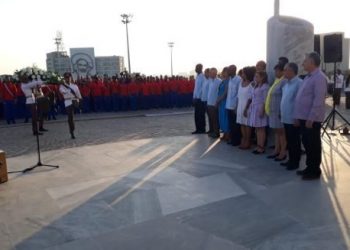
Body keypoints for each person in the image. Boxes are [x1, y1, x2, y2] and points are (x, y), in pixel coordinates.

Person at [294, 52, 327, 180]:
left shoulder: (319, 77)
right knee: (307, 143)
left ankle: (314, 171)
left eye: (305, 61)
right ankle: (309, 167)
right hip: (304, 117)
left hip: (311, 119)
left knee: (313, 144)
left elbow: (318, 100)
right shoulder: (308, 77)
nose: (303, 63)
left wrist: (311, 118)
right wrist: (297, 116)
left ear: (312, 63)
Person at [280, 63, 303, 170]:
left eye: (285, 70)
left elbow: (299, 102)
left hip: (293, 118)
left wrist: (297, 117)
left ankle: (295, 162)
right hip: (286, 117)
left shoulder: (299, 83)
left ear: (292, 71)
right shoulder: (286, 83)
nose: (284, 72)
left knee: (295, 142)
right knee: (289, 141)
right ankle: (290, 159)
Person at [265, 63, 287, 161]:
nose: (275, 72)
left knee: (281, 133)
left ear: (282, 71)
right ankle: (276, 150)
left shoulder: (284, 82)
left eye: (277, 70)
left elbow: (284, 97)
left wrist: (281, 111)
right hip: (273, 111)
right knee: (276, 132)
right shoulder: (277, 81)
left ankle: (283, 152)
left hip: (279, 111)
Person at [244, 71, 269, 154]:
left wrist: (262, 110)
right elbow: (252, 97)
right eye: (255, 76)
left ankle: (261, 147)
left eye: (257, 76)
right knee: (257, 129)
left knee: (261, 128)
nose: (255, 78)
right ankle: (258, 146)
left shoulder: (265, 87)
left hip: (260, 108)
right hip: (254, 108)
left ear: (262, 77)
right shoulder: (256, 86)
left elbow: (265, 100)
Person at [59, 72, 82, 139]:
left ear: (71, 78)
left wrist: (80, 101)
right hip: (68, 101)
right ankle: (72, 131)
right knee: (70, 117)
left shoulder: (74, 86)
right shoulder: (62, 86)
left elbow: (78, 94)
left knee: (73, 117)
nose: (68, 79)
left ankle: (72, 128)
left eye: (69, 77)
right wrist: (67, 91)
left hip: (74, 101)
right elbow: (61, 91)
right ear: (64, 78)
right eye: (66, 78)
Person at [237, 66, 255, 149]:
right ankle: (243, 139)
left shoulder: (252, 84)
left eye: (244, 73)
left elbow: (251, 98)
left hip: (247, 107)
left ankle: (248, 141)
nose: (242, 74)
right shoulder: (241, 83)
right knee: (242, 124)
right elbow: (238, 96)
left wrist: (246, 108)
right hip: (240, 106)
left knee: (247, 125)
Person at [226, 65, 241, 146]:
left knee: (236, 125)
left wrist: (236, 106)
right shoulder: (230, 79)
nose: (228, 71)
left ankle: (236, 140)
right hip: (228, 105)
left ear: (234, 70)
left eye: (229, 70)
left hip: (234, 106)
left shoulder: (238, 80)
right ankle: (232, 139)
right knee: (231, 124)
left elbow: (239, 94)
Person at [207, 68, 221, 138]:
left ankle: (216, 133)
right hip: (209, 103)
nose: (211, 74)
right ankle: (212, 131)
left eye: (213, 73)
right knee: (211, 119)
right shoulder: (210, 81)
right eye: (210, 73)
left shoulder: (219, 81)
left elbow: (219, 93)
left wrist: (217, 102)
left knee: (215, 119)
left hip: (214, 103)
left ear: (216, 73)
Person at [217, 67, 230, 141]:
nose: (224, 73)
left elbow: (225, 93)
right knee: (221, 118)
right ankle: (225, 134)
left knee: (225, 118)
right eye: (223, 71)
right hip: (221, 102)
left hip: (225, 102)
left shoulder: (228, 81)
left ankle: (228, 134)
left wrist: (218, 100)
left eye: (226, 72)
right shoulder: (223, 81)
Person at [192, 64, 206, 134]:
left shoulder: (203, 77)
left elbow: (202, 89)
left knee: (201, 115)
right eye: (195, 67)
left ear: (201, 68)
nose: (195, 69)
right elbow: (195, 88)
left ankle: (202, 129)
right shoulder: (197, 77)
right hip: (196, 99)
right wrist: (194, 97)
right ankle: (198, 129)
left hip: (200, 99)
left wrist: (198, 97)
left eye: (197, 68)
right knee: (196, 115)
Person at [201, 68, 211, 133]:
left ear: (209, 73)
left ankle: (212, 129)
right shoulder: (205, 80)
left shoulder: (210, 81)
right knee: (206, 116)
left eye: (205, 72)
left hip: (208, 101)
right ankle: (208, 129)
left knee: (210, 116)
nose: (204, 74)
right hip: (203, 100)